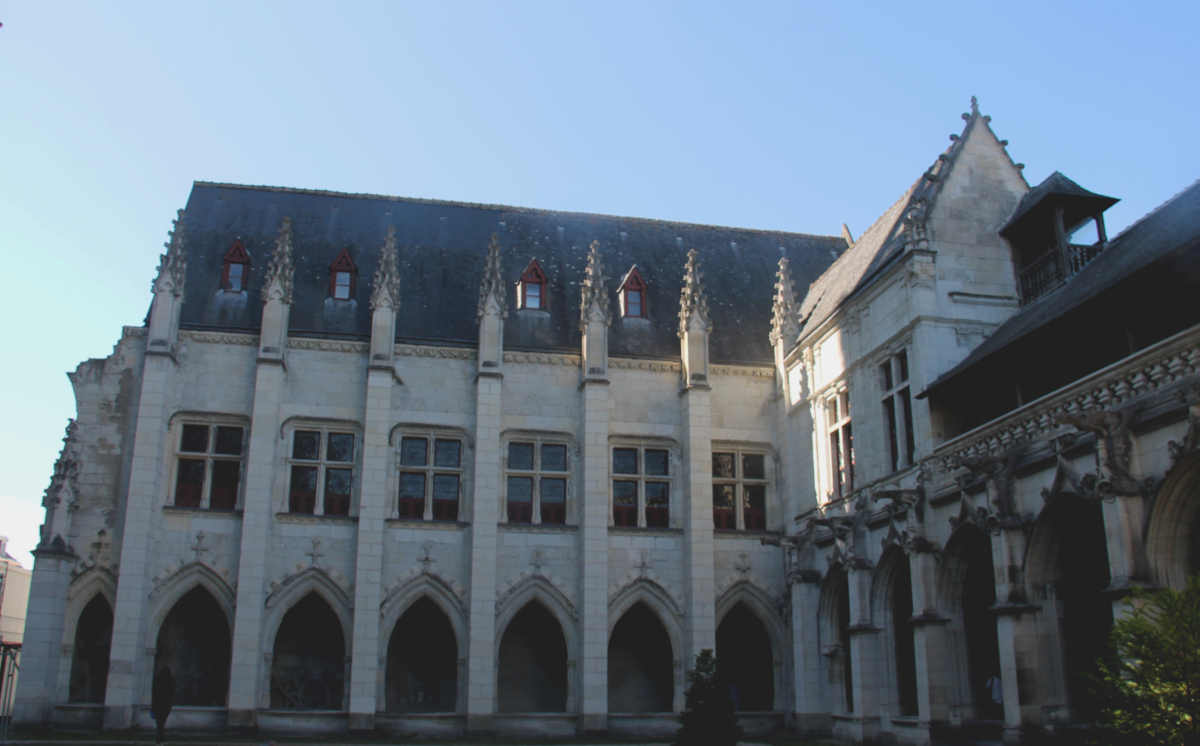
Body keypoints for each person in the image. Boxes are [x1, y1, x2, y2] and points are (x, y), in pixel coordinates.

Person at [151, 666, 176, 746]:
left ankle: (159, 741)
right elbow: (172, 693)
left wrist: (152, 706)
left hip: (158, 705)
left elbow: (154, 694)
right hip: (166, 705)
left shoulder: (158, 681)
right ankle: (160, 740)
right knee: (162, 723)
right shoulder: (171, 681)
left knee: (159, 724)